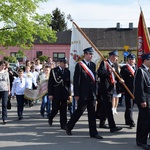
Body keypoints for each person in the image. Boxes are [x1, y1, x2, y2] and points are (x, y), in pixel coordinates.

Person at [66, 47, 103, 139]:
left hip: (92, 94)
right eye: (90, 54)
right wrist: (76, 94)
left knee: (92, 114)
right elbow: (76, 81)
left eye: (92, 54)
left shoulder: (93, 65)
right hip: (83, 94)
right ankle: (69, 126)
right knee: (79, 111)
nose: (91, 56)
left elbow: (94, 80)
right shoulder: (79, 65)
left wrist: (96, 92)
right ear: (85, 54)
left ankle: (93, 132)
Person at [97, 50, 122, 132]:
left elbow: (118, 74)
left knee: (105, 106)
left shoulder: (115, 65)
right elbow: (99, 73)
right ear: (111, 56)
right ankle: (112, 126)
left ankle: (102, 122)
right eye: (115, 57)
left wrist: (120, 79)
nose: (116, 59)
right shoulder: (104, 63)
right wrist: (108, 72)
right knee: (108, 107)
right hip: (105, 88)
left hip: (112, 88)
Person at [48, 57, 71, 130]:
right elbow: (50, 83)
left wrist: (69, 94)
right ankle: (51, 117)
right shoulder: (54, 71)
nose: (65, 64)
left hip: (64, 93)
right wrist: (50, 94)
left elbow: (68, 84)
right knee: (55, 108)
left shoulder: (67, 71)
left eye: (66, 63)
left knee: (64, 110)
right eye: (64, 63)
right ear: (60, 63)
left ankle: (63, 124)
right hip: (56, 93)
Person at [134, 53, 150, 150]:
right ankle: (143, 141)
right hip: (144, 100)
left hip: (148, 99)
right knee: (146, 121)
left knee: (142, 120)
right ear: (145, 60)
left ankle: (139, 140)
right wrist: (142, 100)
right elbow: (139, 88)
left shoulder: (147, 71)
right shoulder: (140, 71)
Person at [120, 53, 136, 127]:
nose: (131, 61)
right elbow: (121, 80)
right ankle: (130, 121)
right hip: (128, 90)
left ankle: (127, 119)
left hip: (135, 91)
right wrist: (122, 89)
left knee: (132, 106)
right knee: (129, 106)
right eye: (129, 59)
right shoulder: (124, 68)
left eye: (132, 59)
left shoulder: (136, 68)